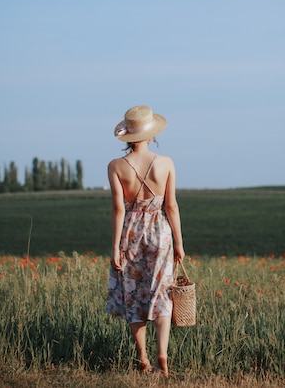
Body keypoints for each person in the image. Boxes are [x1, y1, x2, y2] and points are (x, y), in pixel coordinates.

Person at [106, 105, 185, 377]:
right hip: (160, 231)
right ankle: (162, 353)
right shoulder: (166, 163)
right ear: (151, 134)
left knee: (133, 294)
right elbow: (171, 206)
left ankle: (143, 358)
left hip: (130, 232)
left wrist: (115, 247)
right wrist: (179, 243)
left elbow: (118, 209)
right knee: (162, 293)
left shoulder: (116, 166)